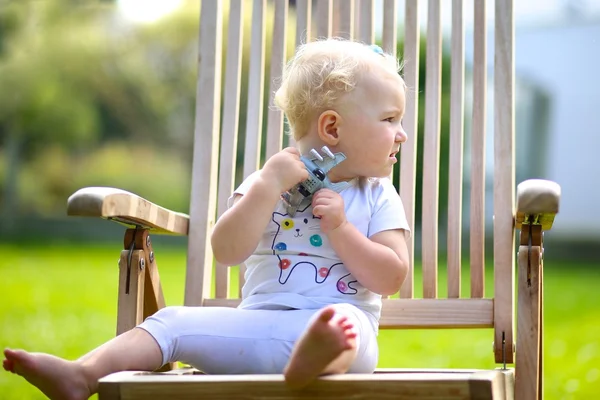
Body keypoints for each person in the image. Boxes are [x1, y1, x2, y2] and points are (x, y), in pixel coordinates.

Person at [2, 38, 410, 399]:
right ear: (332, 128)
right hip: (253, 331)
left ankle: (313, 360)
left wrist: (340, 229)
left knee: (341, 325)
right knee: (172, 321)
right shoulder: (266, 183)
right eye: (390, 119)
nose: (402, 133)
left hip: (345, 334)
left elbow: (391, 277)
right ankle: (83, 375)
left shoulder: (376, 195)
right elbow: (226, 251)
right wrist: (266, 187)